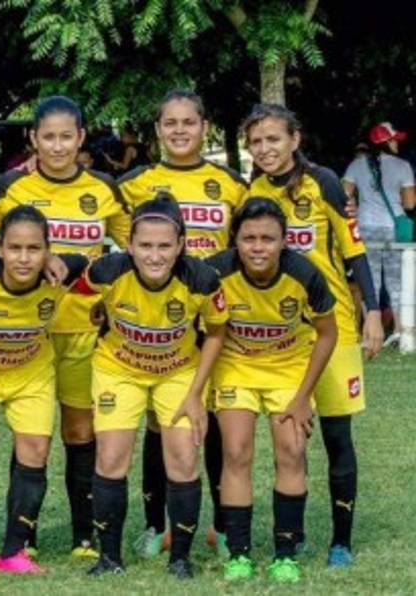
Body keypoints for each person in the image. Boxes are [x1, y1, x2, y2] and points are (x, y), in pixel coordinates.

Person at [0, 95, 130, 559]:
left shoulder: (105, 188)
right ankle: (21, 536)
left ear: (81, 138)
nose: (57, 145)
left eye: (67, 136)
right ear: (32, 139)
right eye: (47, 136)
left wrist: (110, 296)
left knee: (79, 431)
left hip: (83, 330)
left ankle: (83, 536)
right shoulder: (10, 189)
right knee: (31, 436)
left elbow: (135, 251)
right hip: (27, 331)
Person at [244, 103, 384, 568]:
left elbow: (353, 248)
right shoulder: (253, 192)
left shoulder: (322, 182)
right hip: (286, 336)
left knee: (337, 437)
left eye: (273, 139)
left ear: (294, 139)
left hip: (337, 328)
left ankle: (341, 540)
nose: (265, 149)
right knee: (291, 438)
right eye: (256, 141)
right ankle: (294, 534)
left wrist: (373, 313)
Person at [117, 89, 249, 558]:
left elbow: (250, 240)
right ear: (157, 130)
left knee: (205, 421)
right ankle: (157, 526)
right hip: (155, 321)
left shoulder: (232, 183)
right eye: (169, 123)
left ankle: (217, 524)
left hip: (213, 318)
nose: (178, 130)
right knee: (160, 423)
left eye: (188, 123)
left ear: (204, 127)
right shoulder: (134, 183)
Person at [81, 196, 227, 579]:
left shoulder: (202, 279)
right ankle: (109, 558)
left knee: (182, 458)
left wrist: (196, 394)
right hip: (118, 369)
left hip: (178, 372)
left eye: (165, 246)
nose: (155, 255)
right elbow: (72, 297)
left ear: (180, 245)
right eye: (145, 245)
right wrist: (95, 309)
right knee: (111, 458)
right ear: (129, 244)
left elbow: (216, 332)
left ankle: (179, 558)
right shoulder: (107, 272)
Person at [0, 205, 87, 576]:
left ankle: (15, 551)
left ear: (46, 250)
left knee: (35, 452)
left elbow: (85, 258)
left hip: (30, 373)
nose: (24, 258)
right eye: (15, 248)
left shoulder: (60, 273)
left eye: (34, 249)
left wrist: (56, 258)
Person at [207, 198, 338, 582]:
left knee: (292, 451)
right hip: (235, 367)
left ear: (284, 241)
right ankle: (240, 554)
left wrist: (301, 397)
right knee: (236, 451)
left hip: (287, 369)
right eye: (249, 238)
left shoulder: (304, 274)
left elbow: (328, 334)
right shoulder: (215, 270)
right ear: (235, 240)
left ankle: (285, 554)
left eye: (268, 238)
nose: (258, 247)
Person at [343, 121, 416, 334]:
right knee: (397, 281)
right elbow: (411, 204)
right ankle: (401, 331)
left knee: (369, 281)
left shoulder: (356, 165)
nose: (397, 144)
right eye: (395, 140)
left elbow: (343, 196)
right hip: (394, 229)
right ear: (387, 142)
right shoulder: (402, 166)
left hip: (365, 228)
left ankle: (371, 330)